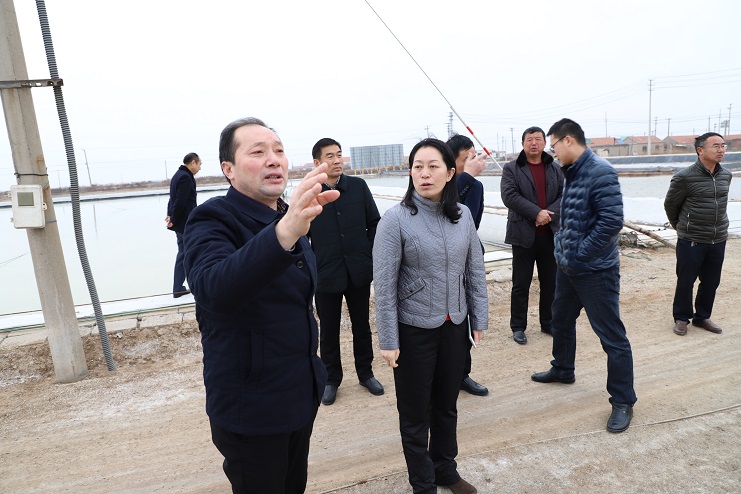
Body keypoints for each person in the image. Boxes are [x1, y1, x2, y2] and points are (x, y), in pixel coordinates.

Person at [182, 117, 339, 494]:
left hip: (299, 392)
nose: (273, 159)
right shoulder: (212, 218)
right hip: (252, 406)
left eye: (279, 150)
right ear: (229, 169)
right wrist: (286, 231)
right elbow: (213, 289)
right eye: (257, 152)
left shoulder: (287, 214)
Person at [374, 138, 488, 494]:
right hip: (413, 329)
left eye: (433, 166)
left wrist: (479, 318)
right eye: (418, 167)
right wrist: (388, 340)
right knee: (414, 414)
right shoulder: (395, 220)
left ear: (450, 173)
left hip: (454, 323)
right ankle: (422, 483)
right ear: (410, 173)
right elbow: (385, 286)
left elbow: (474, 270)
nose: (425, 174)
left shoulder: (462, 215)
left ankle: (445, 470)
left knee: (446, 405)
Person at [531, 118, 637, 434]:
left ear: (568, 140)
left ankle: (623, 400)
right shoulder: (571, 172)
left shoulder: (600, 172)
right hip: (569, 268)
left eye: (553, 146)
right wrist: (564, 250)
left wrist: (580, 253)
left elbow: (611, 222)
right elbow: (574, 218)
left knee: (611, 336)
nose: (552, 153)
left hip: (595, 271)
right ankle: (563, 369)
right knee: (560, 320)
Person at [308, 137, 383, 405]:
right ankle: (331, 379)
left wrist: (368, 253)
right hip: (325, 273)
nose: (337, 160)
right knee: (328, 330)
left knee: (362, 325)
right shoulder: (310, 194)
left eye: (339, 154)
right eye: (330, 156)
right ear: (317, 162)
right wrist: (312, 264)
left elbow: (375, 223)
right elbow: (301, 236)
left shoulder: (358, 187)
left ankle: (366, 373)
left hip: (358, 270)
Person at [664, 132, 732, 336]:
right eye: (716, 146)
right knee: (686, 280)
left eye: (723, 146)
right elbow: (670, 206)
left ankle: (702, 317)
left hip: (718, 237)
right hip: (691, 238)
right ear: (700, 150)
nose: (721, 150)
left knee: (711, 281)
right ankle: (681, 317)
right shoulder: (684, 177)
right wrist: (682, 227)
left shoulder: (726, 175)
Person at [501, 127, 563, 345]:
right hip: (522, 234)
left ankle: (548, 322)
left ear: (545, 143)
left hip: (550, 234)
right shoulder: (511, 168)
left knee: (550, 282)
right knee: (521, 283)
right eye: (529, 139)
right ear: (523, 144)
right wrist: (536, 213)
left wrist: (546, 215)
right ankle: (518, 326)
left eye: (538, 139)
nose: (534, 143)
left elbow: (564, 195)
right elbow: (509, 196)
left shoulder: (555, 168)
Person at [445, 134, 489, 397]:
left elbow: (472, 224)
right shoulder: (440, 184)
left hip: (468, 259)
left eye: (473, 156)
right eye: (466, 158)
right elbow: (447, 211)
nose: (472, 162)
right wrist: (467, 177)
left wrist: (470, 179)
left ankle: (463, 374)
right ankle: (446, 375)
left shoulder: (477, 187)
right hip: (442, 264)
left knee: (467, 318)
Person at [165, 152, 201, 297]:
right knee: (189, 253)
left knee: (183, 253)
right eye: (199, 164)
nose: (200, 168)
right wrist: (173, 218)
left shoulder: (177, 175)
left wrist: (170, 215)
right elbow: (180, 201)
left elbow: (172, 199)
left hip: (180, 222)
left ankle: (178, 288)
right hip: (185, 223)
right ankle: (188, 286)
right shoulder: (185, 177)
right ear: (193, 163)